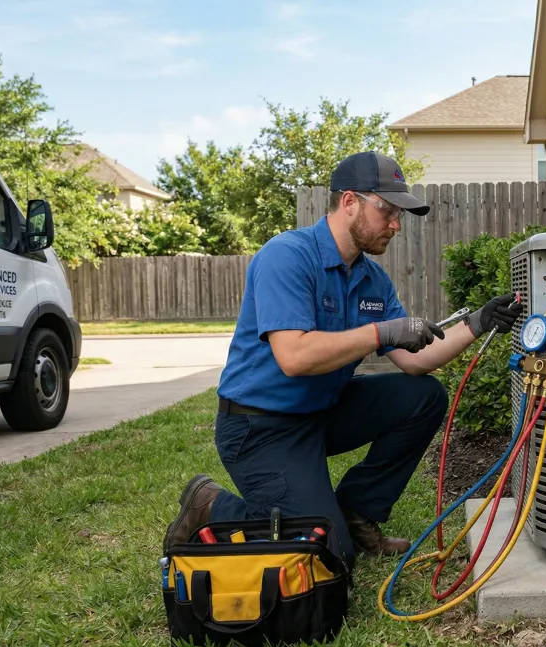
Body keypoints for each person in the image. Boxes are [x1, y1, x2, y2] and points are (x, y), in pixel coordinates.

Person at [162, 151, 522, 566]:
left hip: (321, 413)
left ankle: (356, 511)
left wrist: (476, 323)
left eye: (399, 215)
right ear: (350, 201)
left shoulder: (372, 279)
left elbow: (415, 361)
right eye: (388, 210)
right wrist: (380, 333)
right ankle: (209, 504)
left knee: (423, 396)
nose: (396, 224)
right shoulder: (287, 256)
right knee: (327, 553)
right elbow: (294, 357)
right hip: (260, 428)